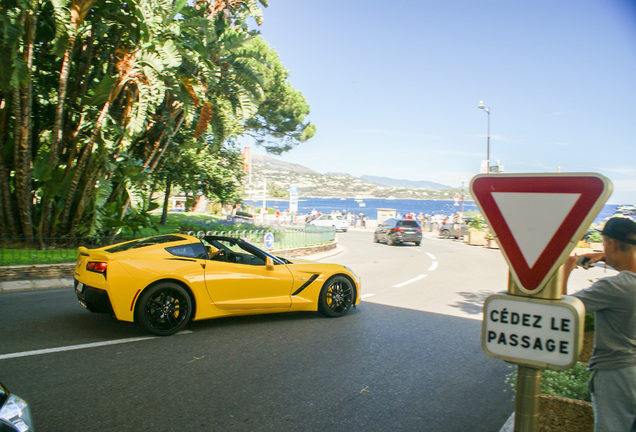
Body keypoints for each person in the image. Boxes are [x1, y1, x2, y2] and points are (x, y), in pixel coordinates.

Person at [562, 217, 636, 431]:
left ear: (612, 244)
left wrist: (567, 267)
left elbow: (563, 312)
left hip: (618, 373)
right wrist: (605, 256)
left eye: (604, 244)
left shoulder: (615, 287)